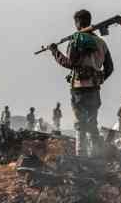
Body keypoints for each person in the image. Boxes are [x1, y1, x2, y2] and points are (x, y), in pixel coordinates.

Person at [48, 9, 114, 157]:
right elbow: (109, 68)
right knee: (92, 123)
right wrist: (98, 79)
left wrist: (55, 51)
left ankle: (81, 155)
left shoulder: (76, 39)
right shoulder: (102, 43)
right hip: (94, 89)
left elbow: (69, 63)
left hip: (79, 89)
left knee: (80, 124)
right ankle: (96, 154)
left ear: (78, 22)